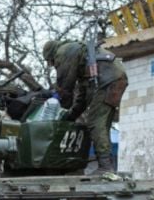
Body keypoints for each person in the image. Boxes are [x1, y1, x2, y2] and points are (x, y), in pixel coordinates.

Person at [43, 40, 128, 174]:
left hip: (107, 79)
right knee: (103, 124)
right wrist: (71, 116)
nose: (54, 65)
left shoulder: (64, 51)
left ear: (52, 55)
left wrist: (60, 106)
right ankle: (107, 165)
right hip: (116, 77)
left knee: (95, 123)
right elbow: (82, 97)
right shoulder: (79, 54)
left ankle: (106, 167)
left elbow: (65, 86)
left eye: (52, 62)